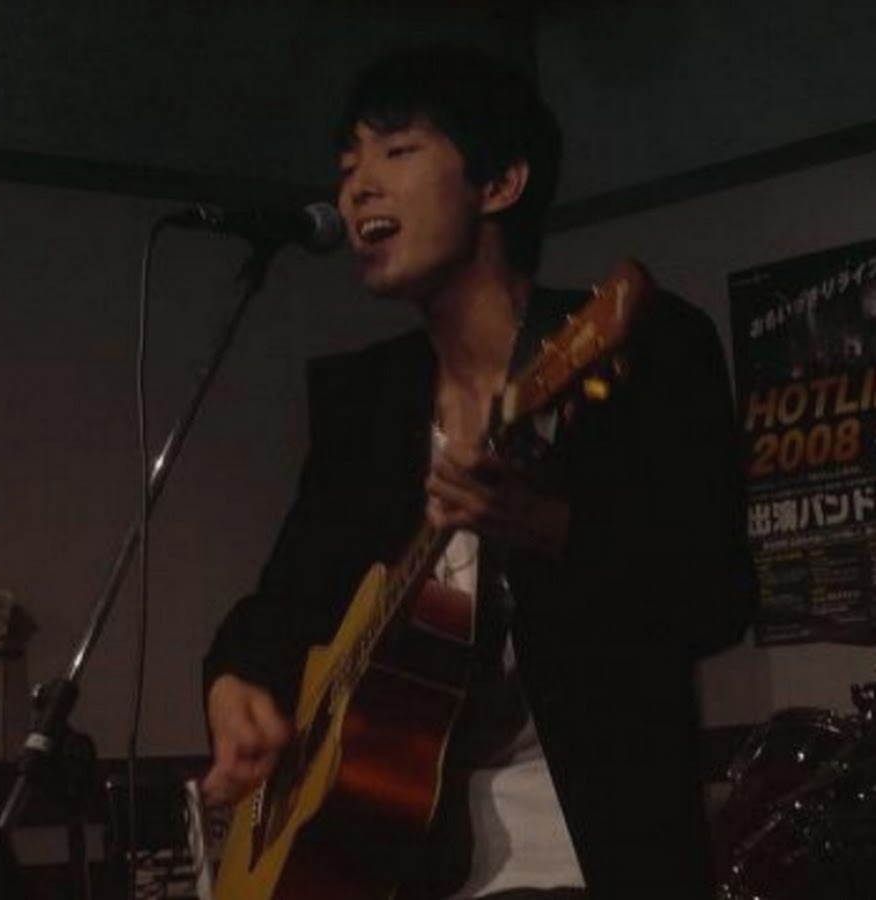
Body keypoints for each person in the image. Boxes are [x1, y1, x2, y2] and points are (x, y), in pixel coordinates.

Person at [202, 44, 757, 899]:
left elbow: (714, 597)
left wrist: (551, 528)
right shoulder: (367, 403)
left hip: (590, 856)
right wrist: (236, 680)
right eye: (347, 166)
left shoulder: (646, 349)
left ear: (500, 184)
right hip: (398, 866)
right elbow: (283, 604)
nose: (356, 188)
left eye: (396, 150)